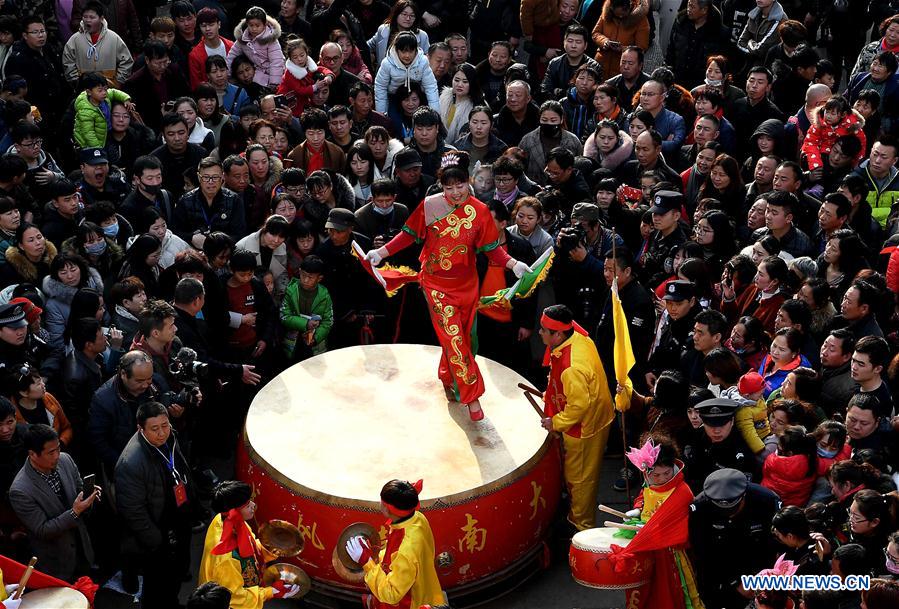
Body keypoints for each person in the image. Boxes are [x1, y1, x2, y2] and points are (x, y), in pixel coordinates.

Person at [365, 151, 531, 420]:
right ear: (441, 186)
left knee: (464, 340)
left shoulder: (480, 211)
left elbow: (492, 249)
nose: (455, 192)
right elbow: (409, 235)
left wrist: (514, 264)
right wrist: (381, 252)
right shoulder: (430, 205)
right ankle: (472, 397)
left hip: (467, 286)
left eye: (460, 185)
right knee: (454, 338)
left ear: (469, 182)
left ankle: (447, 375)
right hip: (436, 286)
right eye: (448, 187)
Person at [537, 304, 613, 531]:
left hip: (585, 427)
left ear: (558, 334)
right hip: (596, 413)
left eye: (543, 330)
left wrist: (556, 422)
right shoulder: (579, 338)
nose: (540, 333)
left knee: (580, 480)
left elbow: (579, 406)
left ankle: (581, 526)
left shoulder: (572, 367)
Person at [115, 401, 194, 609]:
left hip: (179, 519)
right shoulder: (130, 462)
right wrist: (156, 541)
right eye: (155, 429)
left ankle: (172, 602)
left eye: (165, 425)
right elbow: (133, 511)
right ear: (140, 429)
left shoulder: (171, 438)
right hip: (157, 530)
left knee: (178, 571)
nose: (162, 433)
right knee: (158, 582)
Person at [610, 435, 704, 609]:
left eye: (666, 473)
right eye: (655, 475)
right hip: (647, 543)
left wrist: (649, 528)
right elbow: (644, 496)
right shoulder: (649, 482)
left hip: (670, 551)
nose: (661, 479)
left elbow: (681, 525)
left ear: (673, 466)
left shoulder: (682, 492)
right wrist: (638, 509)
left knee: (673, 591)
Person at [7, 424, 97, 583]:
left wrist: (88, 495)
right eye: (51, 452)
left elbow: (78, 488)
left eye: (58, 448)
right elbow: (42, 529)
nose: (57, 455)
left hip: (82, 549)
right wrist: (74, 512)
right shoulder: (20, 490)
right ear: (33, 454)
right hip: (56, 564)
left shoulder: (65, 460)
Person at [689, 468, 781, 609]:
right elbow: (703, 554)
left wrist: (764, 578)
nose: (730, 516)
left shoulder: (766, 501)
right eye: (723, 512)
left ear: (743, 497)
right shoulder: (700, 508)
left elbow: (776, 544)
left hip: (759, 575)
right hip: (720, 576)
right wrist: (735, 582)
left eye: (734, 509)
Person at [344, 479, 445, 609]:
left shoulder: (405, 550)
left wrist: (366, 561)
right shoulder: (417, 518)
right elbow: (395, 556)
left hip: (408, 601)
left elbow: (392, 594)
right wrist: (375, 554)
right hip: (422, 585)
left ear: (387, 509)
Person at [198, 480, 301, 607]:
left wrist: (272, 546)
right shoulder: (226, 558)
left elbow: (248, 549)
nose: (253, 505)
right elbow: (236, 598)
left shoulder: (226, 520)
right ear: (234, 512)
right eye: (247, 505)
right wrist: (270, 592)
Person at [62, 2, 133, 88]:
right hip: (85, 90)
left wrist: (118, 81)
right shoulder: (75, 39)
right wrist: (76, 82)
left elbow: (127, 61)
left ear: (101, 18)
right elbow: (68, 62)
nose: (88, 20)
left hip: (108, 88)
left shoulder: (113, 38)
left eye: (92, 17)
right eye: (85, 17)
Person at [226, 6, 283, 89]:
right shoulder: (243, 39)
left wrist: (274, 84)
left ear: (265, 24)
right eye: (251, 25)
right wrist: (227, 74)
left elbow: (276, 62)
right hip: (257, 74)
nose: (254, 29)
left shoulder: (271, 39)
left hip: (275, 75)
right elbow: (232, 55)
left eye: (257, 25)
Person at [72, 72, 134, 148]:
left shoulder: (105, 97)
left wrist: (126, 99)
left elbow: (114, 92)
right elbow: (88, 134)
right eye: (100, 90)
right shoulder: (86, 111)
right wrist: (98, 149)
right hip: (90, 144)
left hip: (105, 133)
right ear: (89, 92)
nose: (104, 93)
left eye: (105, 89)